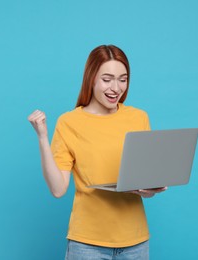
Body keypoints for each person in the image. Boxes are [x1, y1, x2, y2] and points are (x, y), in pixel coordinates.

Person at [28, 45, 167, 260]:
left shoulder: (139, 118)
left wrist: (152, 187)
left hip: (135, 243)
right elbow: (58, 189)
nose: (116, 88)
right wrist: (42, 137)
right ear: (91, 78)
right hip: (87, 245)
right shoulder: (69, 122)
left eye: (123, 79)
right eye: (107, 79)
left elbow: (146, 191)